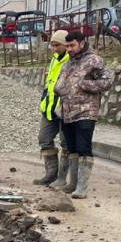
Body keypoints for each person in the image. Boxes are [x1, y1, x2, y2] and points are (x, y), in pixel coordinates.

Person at [54, 30, 114, 200]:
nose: (69, 49)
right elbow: (63, 81)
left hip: (85, 111)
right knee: (71, 148)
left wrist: (85, 84)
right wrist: (58, 88)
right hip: (67, 111)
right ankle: (72, 184)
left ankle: (82, 187)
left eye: (72, 45)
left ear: (81, 42)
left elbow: (107, 81)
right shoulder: (69, 62)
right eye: (67, 46)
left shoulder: (94, 60)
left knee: (83, 148)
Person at [33, 30, 71, 187]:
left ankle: (61, 178)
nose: (54, 48)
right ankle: (50, 174)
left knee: (66, 143)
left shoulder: (71, 61)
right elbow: (49, 83)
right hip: (49, 108)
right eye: (52, 45)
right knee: (44, 139)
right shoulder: (55, 59)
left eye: (57, 45)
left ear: (66, 45)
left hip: (65, 110)